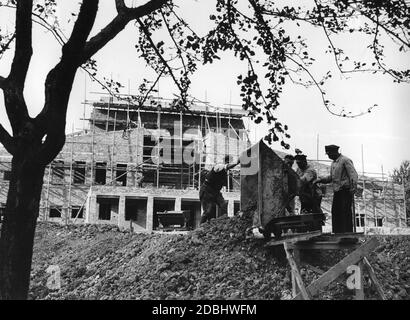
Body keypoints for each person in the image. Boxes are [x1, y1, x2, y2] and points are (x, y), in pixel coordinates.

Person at [314, 145, 358, 233]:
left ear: (335, 152)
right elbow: (331, 177)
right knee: (335, 211)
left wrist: (353, 187)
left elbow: (353, 175)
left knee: (345, 212)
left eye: (329, 154)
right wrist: (320, 180)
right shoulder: (333, 163)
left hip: (346, 190)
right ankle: (338, 233)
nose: (328, 156)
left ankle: (347, 233)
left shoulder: (345, 160)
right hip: (337, 191)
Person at [199, 155, 240, 224]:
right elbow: (227, 166)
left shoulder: (224, 173)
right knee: (208, 211)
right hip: (207, 190)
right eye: (229, 162)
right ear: (227, 162)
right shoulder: (219, 166)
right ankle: (200, 227)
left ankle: (222, 223)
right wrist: (236, 163)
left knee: (223, 205)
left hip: (216, 192)